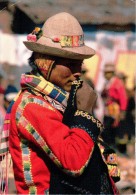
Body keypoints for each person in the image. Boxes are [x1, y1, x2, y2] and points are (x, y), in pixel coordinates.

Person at [0, 12, 120, 194]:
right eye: (70, 64)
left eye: (79, 64)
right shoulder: (32, 106)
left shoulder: (57, 101)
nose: (77, 72)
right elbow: (73, 162)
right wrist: (85, 114)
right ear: (46, 63)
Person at [101, 63, 128, 147]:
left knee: (112, 128)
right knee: (107, 127)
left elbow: (123, 98)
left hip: (115, 109)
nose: (106, 74)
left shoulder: (117, 83)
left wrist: (123, 111)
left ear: (112, 73)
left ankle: (113, 147)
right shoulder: (107, 83)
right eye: (105, 72)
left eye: (108, 72)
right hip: (108, 109)